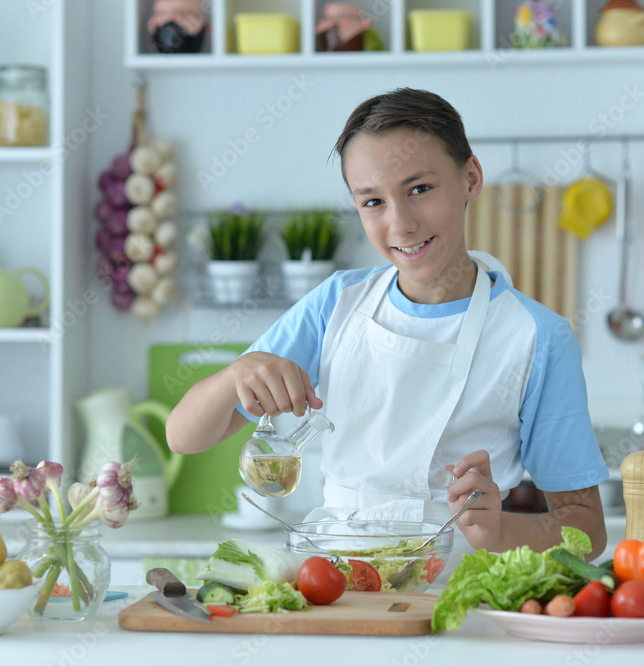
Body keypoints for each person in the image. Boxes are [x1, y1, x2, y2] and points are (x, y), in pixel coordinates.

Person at [167, 88, 609, 559]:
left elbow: (587, 529)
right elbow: (183, 436)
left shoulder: (537, 337)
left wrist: (503, 533)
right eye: (373, 202)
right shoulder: (336, 303)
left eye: (420, 189)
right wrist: (237, 374)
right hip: (335, 581)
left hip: (463, 595)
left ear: (471, 178)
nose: (400, 225)